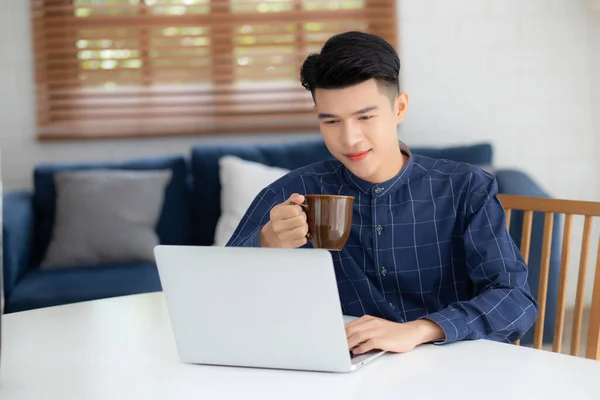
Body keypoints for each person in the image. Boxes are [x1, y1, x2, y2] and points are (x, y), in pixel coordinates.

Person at [226, 31, 538, 356]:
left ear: (399, 108)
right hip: (335, 372)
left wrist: (419, 330)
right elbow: (216, 295)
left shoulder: (464, 187)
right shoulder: (292, 192)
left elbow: (515, 299)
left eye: (365, 117)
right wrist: (265, 244)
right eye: (331, 121)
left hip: (447, 368)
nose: (349, 139)